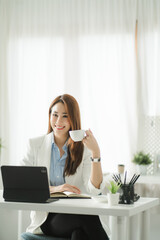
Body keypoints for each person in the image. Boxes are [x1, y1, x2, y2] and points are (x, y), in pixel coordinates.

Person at [21, 94, 110, 240]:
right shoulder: (35, 145)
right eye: (55, 115)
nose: (58, 121)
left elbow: (95, 188)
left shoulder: (84, 148)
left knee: (79, 235)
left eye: (65, 116)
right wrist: (57, 189)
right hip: (47, 218)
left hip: (75, 213)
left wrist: (96, 153)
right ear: (49, 115)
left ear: (73, 119)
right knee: (87, 219)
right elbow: (24, 184)